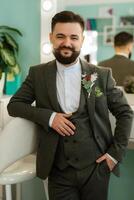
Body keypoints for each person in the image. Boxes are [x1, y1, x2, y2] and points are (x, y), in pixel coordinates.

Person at [7, 11, 133, 200]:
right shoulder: (38, 74)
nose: (67, 43)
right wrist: (49, 117)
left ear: (82, 40)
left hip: (96, 168)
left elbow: (125, 113)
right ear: (51, 38)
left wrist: (114, 155)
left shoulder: (100, 74)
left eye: (74, 37)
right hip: (58, 170)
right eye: (60, 36)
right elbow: (14, 105)